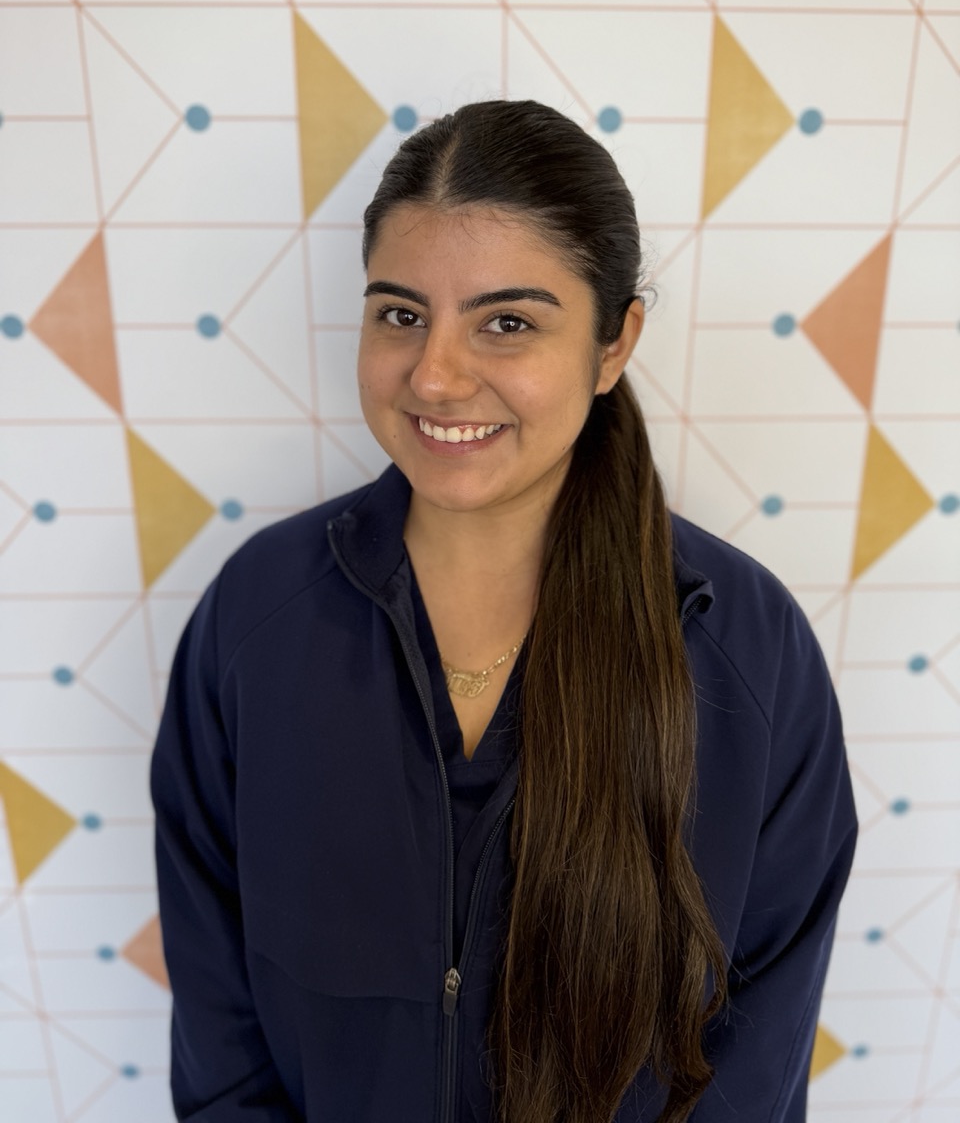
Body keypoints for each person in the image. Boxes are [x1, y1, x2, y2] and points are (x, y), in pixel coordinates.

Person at [151, 99, 857, 1123]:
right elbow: (220, 1031)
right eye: (400, 313)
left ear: (614, 345)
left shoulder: (749, 648)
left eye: (508, 322)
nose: (435, 373)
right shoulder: (256, 617)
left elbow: (758, 1054)